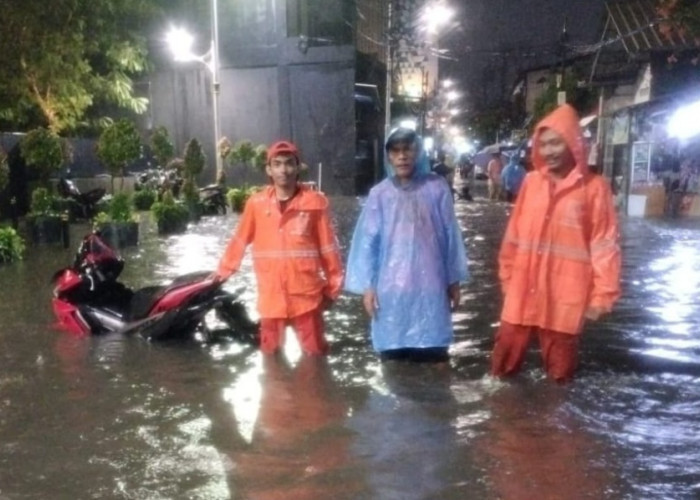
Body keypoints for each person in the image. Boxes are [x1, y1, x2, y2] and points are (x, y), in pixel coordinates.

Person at [490, 104, 621, 383]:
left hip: (566, 295)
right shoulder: (531, 183)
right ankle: (502, 423)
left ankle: (556, 425)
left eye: (555, 143)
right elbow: (513, 237)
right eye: (543, 144)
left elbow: (604, 245)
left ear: (573, 142)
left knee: (560, 378)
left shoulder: (595, 188)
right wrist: (507, 278)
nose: (548, 151)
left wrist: (602, 297)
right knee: (501, 370)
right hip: (522, 290)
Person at [345, 128, 469, 363]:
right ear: (389, 157)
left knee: (434, 356)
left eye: (407, 149)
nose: (402, 156)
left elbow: (449, 235)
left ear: (418, 153)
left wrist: (454, 280)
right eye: (396, 151)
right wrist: (368, 288)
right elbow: (368, 244)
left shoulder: (437, 187)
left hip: (431, 285)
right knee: (393, 357)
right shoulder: (379, 195)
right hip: (392, 290)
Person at [215, 140, 344, 355]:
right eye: (277, 164)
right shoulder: (256, 204)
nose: (283, 170)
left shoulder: (315, 203)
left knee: (315, 357)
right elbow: (239, 240)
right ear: (269, 169)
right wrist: (220, 275)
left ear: (298, 167)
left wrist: (332, 290)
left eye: (289, 163)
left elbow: (329, 249)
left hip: (307, 297)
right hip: (271, 298)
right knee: (271, 358)